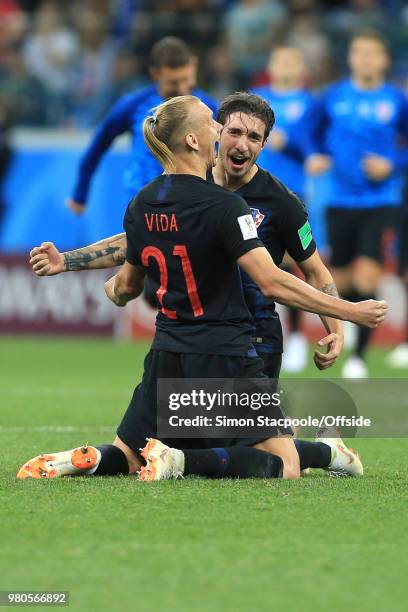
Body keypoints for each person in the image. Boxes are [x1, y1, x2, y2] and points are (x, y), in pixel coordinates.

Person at [18, 95, 386, 482]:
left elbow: (315, 270)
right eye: (230, 130)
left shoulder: (280, 203)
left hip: (248, 339)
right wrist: (353, 312)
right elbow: (266, 278)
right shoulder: (213, 198)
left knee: (207, 441)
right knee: (253, 453)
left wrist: (337, 328)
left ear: (263, 145)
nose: (241, 144)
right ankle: (324, 452)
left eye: (255, 138)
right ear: (215, 135)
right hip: (224, 341)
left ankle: (326, 452)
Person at [304, 29, 408, 378]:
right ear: (350, 58)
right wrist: (313, 154)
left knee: (368, 274)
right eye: (359, 52)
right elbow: (307, 132)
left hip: (381, 199)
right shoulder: (333, 97)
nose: (365, 59)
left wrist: (391, 165)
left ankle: (360, 357)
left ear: (383, 60)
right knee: (345, 277)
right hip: (338, 198)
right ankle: (345, 337)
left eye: (372, 53)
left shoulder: (395, 99)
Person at [67, 36, 217, 215]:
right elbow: (97, 146)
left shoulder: (206, 108)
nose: (182, 89)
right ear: (155, 74)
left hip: (190, 202)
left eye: (185, 80)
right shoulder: (133, 105)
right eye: (174, 83)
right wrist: (80, 194)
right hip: (143, 202)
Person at [251, 46, 315, 373]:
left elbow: (315, 145)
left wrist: (294, 147)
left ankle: (298, 335)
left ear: (301, 67)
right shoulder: (256, 100)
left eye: (292, 59)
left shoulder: (310, 103)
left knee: (290, 262)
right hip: (251, 192)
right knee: (255, 260)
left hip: (291, 193)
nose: (286, 65)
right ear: (271, 66)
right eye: (281, 59)